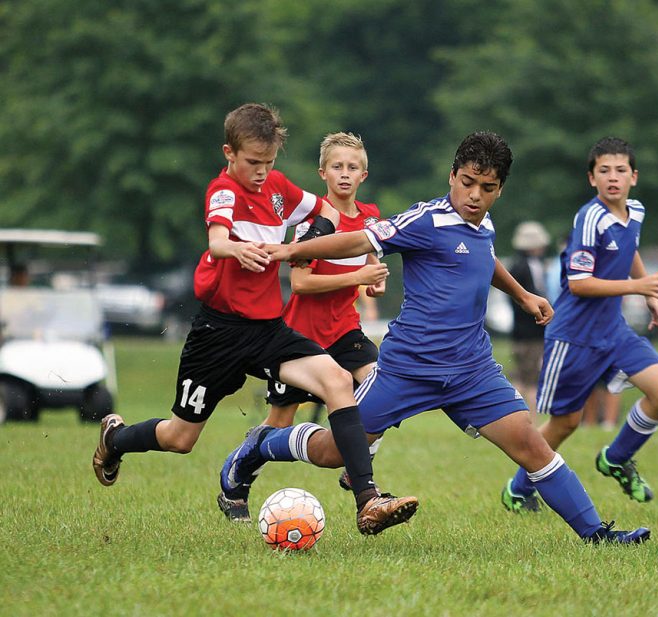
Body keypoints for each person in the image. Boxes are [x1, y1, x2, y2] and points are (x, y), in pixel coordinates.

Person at [261, 131, 651, 544]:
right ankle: (263, 444)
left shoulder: (485, 225)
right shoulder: (425, 220)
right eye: (467, 182)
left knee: (530, 444)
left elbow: (484, 257)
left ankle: (597, 534)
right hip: (407, 368)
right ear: (452, 177)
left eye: (487, 188)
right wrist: (291, 252)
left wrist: (522, 294)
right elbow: (362, 239)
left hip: (471, 371)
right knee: (333, 453)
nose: (475, 195)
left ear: (500, 189)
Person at [91, 103, 417, 536]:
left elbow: (331, 214)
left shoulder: (279, 187)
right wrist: (236, 249)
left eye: (268, 163)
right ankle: (116, 440)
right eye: (252, 163)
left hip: (269, 331)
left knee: (339, 381)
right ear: (230, 153)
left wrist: (314, 246)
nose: (261, 173)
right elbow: (218, 239)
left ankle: (367, 500)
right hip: (218, 334)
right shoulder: (223, 191)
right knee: (180, 439)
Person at [502, 136, 658, 512]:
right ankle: (519, 488)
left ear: (634, 176)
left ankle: (615, 458)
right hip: (575, 337)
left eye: (620, 170)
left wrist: (648, 295)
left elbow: (629, 250)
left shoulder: (636, 211)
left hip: (613, 332)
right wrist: (639, 286)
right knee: (565, 422)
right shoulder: (589, 218)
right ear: (591, 178)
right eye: (604, 171)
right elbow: (580, 284)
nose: (612, 177)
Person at [252, 132, 385, 491]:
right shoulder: (312, 225)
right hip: (300, 338)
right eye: (337, 166)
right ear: (322, 173)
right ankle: (241, 471)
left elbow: (370, 255)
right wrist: (358, 276)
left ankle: (356, 460)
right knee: (278, 423)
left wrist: (374, 281)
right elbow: (300, 284)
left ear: (363, 176)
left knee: (383, 387)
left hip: (344, 331)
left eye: (352, 167)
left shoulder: (371, 217)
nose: (345, 173)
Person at [507, 221, 551, 410]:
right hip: (530, 331)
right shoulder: (527, 267)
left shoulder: (517, 266)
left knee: (522, 374)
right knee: (530, 378)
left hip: (519, 330)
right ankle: (529, 415)